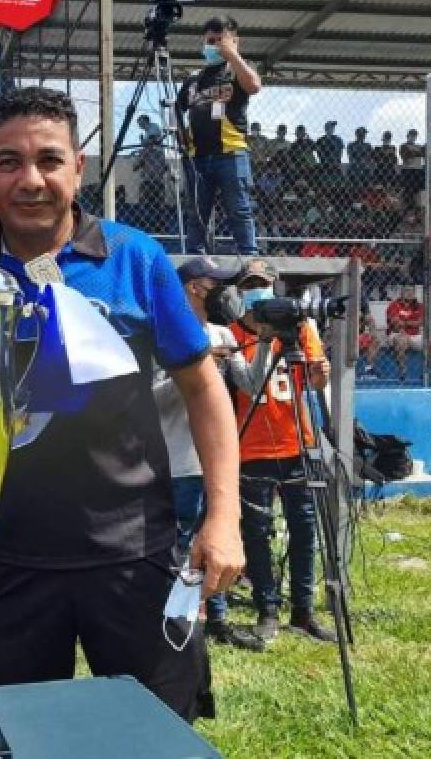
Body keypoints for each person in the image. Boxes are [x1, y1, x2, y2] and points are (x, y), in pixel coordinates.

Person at [0, 86, 244, 722]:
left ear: (78, 168)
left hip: (134, 555)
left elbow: (204, 388)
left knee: (153, 733)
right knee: (25, 734)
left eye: (49, 160)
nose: (30, 179)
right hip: (12, 564)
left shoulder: (134, 259)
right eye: (8, 162)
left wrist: (222, 517)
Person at [155, 257, 269, 653]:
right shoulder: (161, 334)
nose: (225, 291)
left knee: (217, 536)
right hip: (176, 459)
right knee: (181, 544)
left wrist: (267, 340)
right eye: (215, 283)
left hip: (215, 463)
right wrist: (192, 373)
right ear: (192, 288)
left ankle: (217, 619)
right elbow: (144, 397)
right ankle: (177, 618)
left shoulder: (221, 334)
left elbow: (253, 386)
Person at [230, 260, 335, 644]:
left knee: (304, 527)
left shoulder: (301, 326)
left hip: (297, 440)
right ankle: (267, 608)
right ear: (241, 291)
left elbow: (316, 378)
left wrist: (321, 372)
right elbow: (245, 385)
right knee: (257, 531)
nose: (257, 288)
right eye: (250, 283)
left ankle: (303, 610)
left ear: (275, 287)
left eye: (263, 283)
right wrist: (261, 337)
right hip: (253, 445)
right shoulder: (232, 332)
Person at [175, 15, 262, 255]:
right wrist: (180, 133)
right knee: (197, 212)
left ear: (234, 41)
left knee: (239, 209)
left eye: (219, 41)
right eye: (209, 41)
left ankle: (248, 257)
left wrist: (231, 55)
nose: (213, 46)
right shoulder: (194, 79)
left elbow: (254, 86)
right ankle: (196, 259)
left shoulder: (238, 70)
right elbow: (176, 107)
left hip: (231, 153)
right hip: (197, 157)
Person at [385, 285, 431, 380]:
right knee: (401, 340)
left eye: (412, 291)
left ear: (414, 294)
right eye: (406, 290)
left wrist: (405, 323)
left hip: (415, 335)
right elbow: (396, 324)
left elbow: (422, 322)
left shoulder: (419, 306)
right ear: (401, 293)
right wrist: (409, 325)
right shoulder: (394, 305)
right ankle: (403, 372)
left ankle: (427, 372)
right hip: (397, 334)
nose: (409, 293)